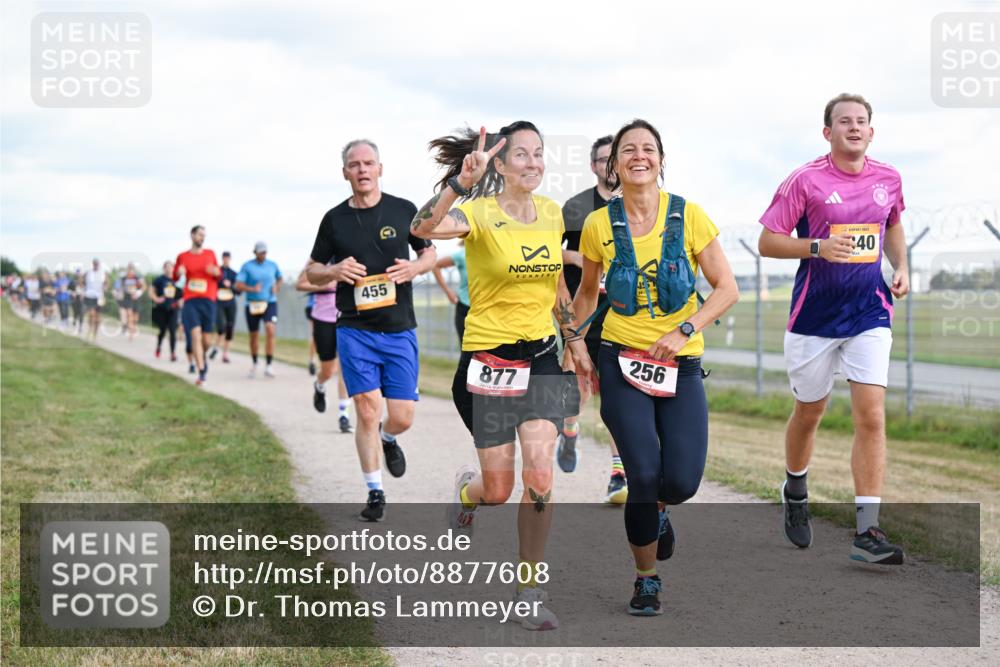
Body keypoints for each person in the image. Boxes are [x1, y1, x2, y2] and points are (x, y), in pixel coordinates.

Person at [413, 123, 590, 631]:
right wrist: (457, 186)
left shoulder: (551, 213)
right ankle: (466, 494)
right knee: (497, 489)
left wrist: (574, 341)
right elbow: (422, 228)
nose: (533, 163)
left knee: (540, 475)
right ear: (500, 163)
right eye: (522, 155)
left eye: (540, 154)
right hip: (488, 362)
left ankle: (529, 590)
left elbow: (557, 286)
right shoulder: (478, 213)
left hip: (541, 359)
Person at [570, 119, 739, 616]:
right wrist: (571, 342)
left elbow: (727, 289)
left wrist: (685, 329)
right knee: (642, 475)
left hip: (680, 364)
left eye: (648, 149)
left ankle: (660, 513)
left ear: (661, 160)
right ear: (614, 164)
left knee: (681, 482)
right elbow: (587, 294)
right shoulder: (599, 225)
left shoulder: (690, 216)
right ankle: (646, 579)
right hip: (621, 361)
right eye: (628, 150)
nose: (638, 156)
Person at [757, 93, 908, 565]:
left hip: (869, 313)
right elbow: (768, 241)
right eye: (845, 121)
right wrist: (818, 247)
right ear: (828, 132)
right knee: (810, 412)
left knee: (872, 415)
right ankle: (795, 487)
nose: (854, 127)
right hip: (814, 319)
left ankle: (867, 532)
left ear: (871, 131)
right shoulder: (805, 180)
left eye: (862, 121)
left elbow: (893, 224)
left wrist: (901, 266)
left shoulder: (889, 178)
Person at [306, 138, 436, 523]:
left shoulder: (404, 210)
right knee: (366, 409)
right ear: (344, 173)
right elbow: (312, 270)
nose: (362, 169)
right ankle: (375, 491)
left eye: (368, 163)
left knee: (402, 416)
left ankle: (389, 437)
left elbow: (429, 253)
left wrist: (415, 268)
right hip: (355, 328)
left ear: (380, 169)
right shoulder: (334, 220)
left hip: (398, 328)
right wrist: (333, 270)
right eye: (354, 164)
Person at [556, 134, 629, 504]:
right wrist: (578, 258)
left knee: (617, 394)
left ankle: (619, 473)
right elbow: (547, 251)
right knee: (579, 387)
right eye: (602, 160)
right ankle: (569, 428)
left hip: (622, 312)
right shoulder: (576, 207)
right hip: (583, 310)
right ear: (593, 166)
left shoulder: (636, 203)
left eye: (612, 158)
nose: (608, 166)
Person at [297, 263, 353, 432]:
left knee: (345, 367)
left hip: (347, 317)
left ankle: (344, 415)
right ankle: (319, 385)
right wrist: (324, 284)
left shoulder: (351, 257)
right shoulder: (319, 261)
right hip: (323, 319)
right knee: (328, 370)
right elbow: (300, 284)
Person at [174, 225, 220, 386]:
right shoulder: (182, 257)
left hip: (208, 300)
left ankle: (201, 357)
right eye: (200, 234)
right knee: (195, 335)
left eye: (204, 235)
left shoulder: (210, 254)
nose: (202, 237)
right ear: (192, 235)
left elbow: (219, 274)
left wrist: (215, 272)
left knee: (206, 340)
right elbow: (175, 277)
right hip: (191, 300)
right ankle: (201, 372)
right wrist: (178, 272)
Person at [235, 242, 282, 378]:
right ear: (255, 252)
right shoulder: (247, 266)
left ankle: (269, 365)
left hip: (269, 302)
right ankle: (255, 362)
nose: (263, 254)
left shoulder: (272, 265)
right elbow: (238, 285)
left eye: (265, 252)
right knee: (254, 336)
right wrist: (252, 289)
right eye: (260, 252)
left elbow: (280, 278)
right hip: (253, 304)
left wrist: (277, 287)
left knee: (270, 329)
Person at [430, 240, 470, 341]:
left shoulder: (491, 255)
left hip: (486, 309)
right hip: (464, 307)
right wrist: (448, 292)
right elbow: (436, 266)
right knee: (466, 348)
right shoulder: (462, 255)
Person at [210, 251, 239, 364]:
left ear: (230, 259)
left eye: (228, 258)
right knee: (220, 327)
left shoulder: (234, 274)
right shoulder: (218, 272)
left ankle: (225, 354)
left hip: (230, 303)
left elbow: (238, 291)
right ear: (222, 259)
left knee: (230, 327)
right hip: (219, 302)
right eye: (224, 258)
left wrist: (230, 286)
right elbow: (212, 285)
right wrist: (221, 284)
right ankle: (216, 347)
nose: (226, 260)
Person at [151, 261, 181, 360]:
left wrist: (180, 302)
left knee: (172, 331)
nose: (169, 269)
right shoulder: (159, 279)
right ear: (164, 269)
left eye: (171, 267)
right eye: (167, 267)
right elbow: (151, 291)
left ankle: (173, 353)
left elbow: (181, 293)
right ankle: (158, 347)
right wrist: (156, 299)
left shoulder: (176, 280)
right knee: (163, 330)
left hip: (173, 309)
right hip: (162, 309)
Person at [82, 258, 108, 340]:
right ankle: (90, 329)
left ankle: (95, 333)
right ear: (92, 264)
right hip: (89, 296)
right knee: (91, 314)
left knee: (98, 317)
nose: (96, 265)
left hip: (100, 297)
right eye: (94, 263)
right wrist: (83, 291)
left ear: (99, 264)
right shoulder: (88, 273)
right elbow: (82, 282)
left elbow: (106, 283)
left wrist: (105, 288)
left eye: (97, 264)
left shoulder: (103, 273)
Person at [121, 263, 145, 340]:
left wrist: (138, 293)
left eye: (132, 269)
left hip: (136, 298)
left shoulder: (138, 277)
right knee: (129, 314)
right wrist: (120, 292)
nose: (130, 271)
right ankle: (130, 333)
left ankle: (132, 327)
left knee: (135, 318)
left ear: (134, 270)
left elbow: (144, 286)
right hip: (128, 298)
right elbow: (121, 287)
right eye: (129, 269)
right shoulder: (124, 278)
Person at [70, 269, 85, 333]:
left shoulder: (85, 284)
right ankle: (74, 319)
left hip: (83, 300)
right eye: (79, 277)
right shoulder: (73, 282)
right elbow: (68, 289)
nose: (80, 278)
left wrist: (84, 294)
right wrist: (72, 293)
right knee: (75, 312)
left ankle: (80, 327)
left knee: (81, 313)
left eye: (81, 277)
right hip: (75, 299)